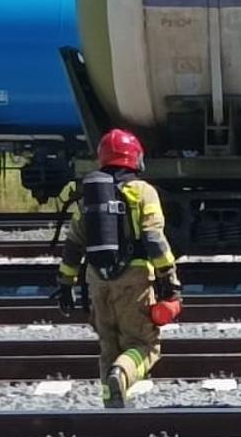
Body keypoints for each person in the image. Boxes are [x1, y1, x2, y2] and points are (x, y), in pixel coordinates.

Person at [52, 128, 182, 409]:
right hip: (134, 279)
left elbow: (74, 244)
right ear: (135, 158)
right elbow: (153, 238)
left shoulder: (90, 197)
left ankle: (112, 406)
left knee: (108, 346)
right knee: (144, 345)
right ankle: (121, 376)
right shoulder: (143, 192)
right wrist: (168, 280)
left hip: (97, 281)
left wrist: (65, 284)